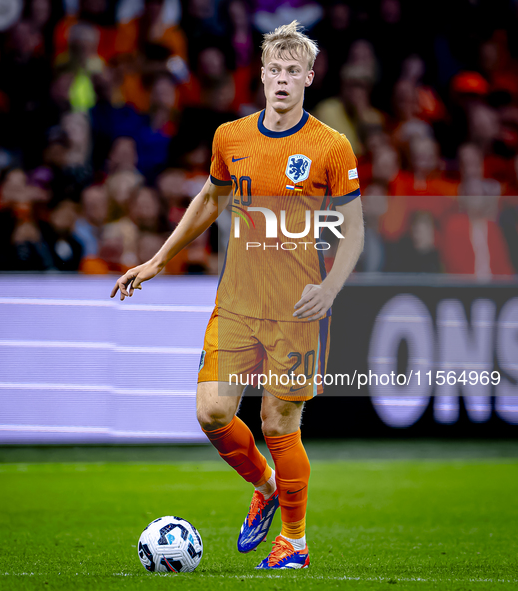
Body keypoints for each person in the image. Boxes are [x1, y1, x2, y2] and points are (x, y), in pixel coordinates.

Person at [110, 21, 364, 570]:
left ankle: (293, 542)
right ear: (263, 75)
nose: (281, 80)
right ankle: (268, 485)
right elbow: (209, 197)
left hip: (297, 310)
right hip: (238, 304)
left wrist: (331, 287)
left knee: (279, 425)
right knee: (212, 412)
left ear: (309, 78)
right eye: (273, 70)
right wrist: (157, 260)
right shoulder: (231, 136)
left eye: (292, 71)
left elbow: (354, 229)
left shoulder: (330, 147)